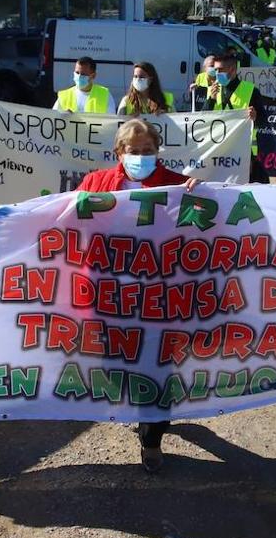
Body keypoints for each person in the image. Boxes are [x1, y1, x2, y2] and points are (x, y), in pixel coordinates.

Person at [76, 118, 200, 474]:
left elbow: (210, 221)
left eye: (149, 151)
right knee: (115, 365)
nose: (142, 157)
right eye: (134, 151)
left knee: (159, 369)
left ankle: (151, 436)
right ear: (120, 152)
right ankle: (140, 406)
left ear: (157, 152)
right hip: (108, 297)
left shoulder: (176, 185)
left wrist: (200, 193)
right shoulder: (95, 184)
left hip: (158, 298)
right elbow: (67, 221)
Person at [206, 50, 269, 184]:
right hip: (218, 152)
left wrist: (255, 116)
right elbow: (201, 121)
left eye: (220, 70)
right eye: (215, 70)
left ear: (232, 69)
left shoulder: (251, 90)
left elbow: (264, 122)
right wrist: (210, 100)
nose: (217, 74)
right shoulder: (212, 90)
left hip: (244, 154)